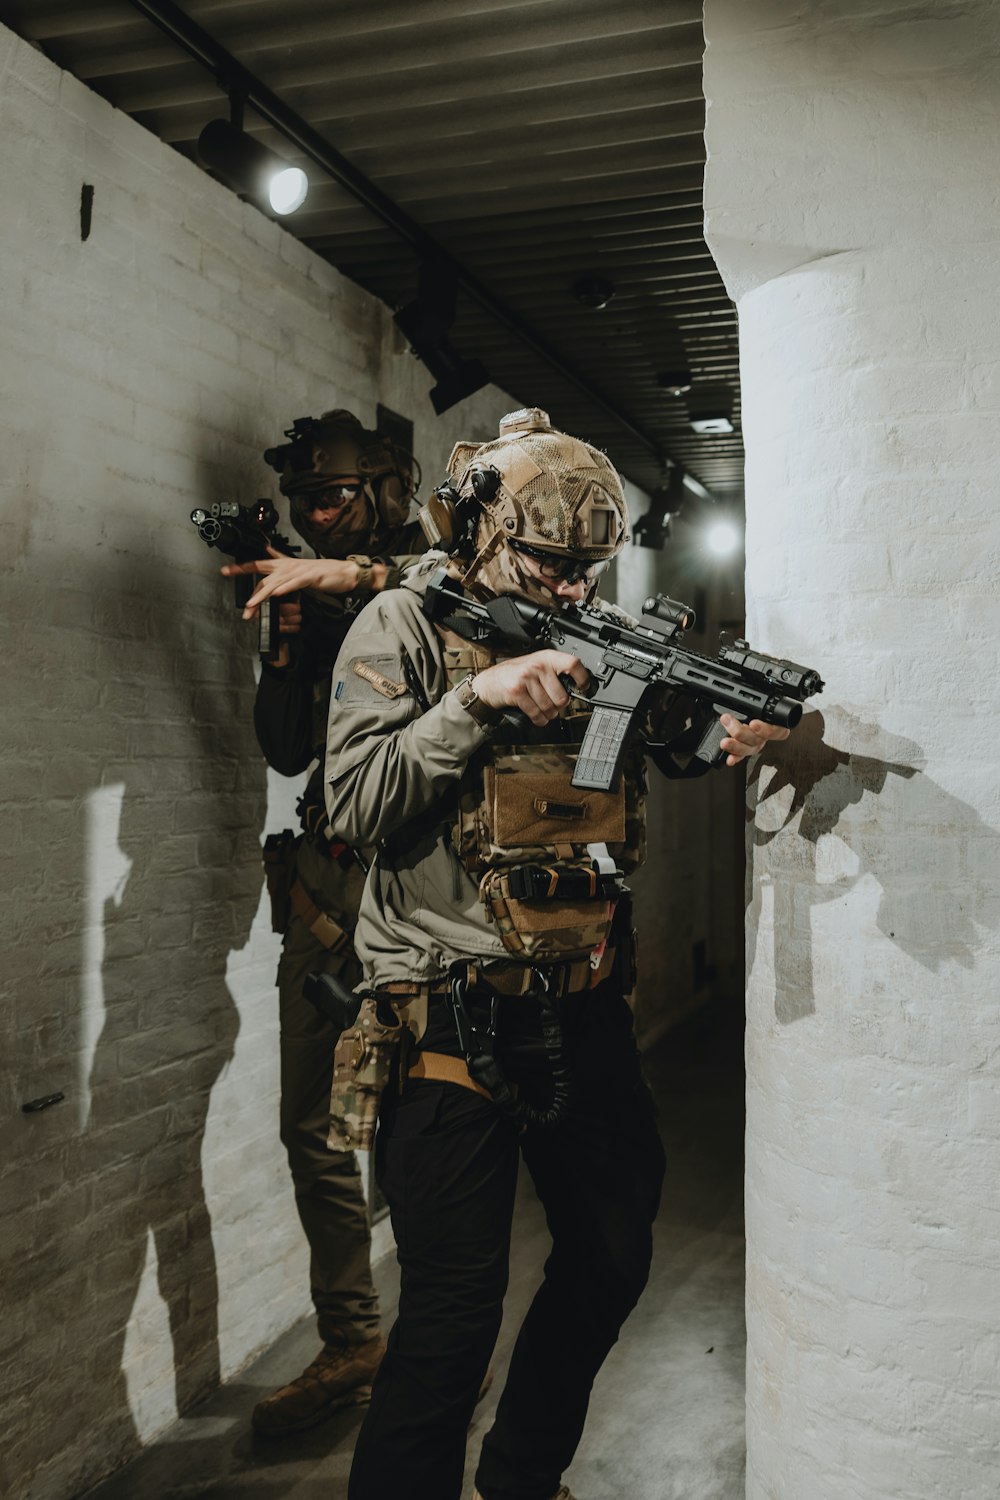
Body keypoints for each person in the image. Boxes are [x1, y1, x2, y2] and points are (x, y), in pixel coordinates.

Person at [322, 407, 791, 1500]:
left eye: (590, 568)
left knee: (615, 1253)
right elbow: (353, 801)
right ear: (486, 535)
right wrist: (474, 702)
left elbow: (656, 743)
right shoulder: (405, 626)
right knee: (449, 1322)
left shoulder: (578, 625)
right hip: (443, 1019)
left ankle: (522, 1476)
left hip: (580, 1009)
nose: (573, 590)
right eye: (548, 562)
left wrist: (728, 733)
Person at [222, 409, 425, 1436]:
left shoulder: (436, 576)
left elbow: (448, 591)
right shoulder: (312, 597)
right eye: (304, 504)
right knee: (312, 1125)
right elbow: (288, 754)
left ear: (383, 491)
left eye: (332, 497)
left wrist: (341, 583)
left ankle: (439, 1345)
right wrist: (285, 639)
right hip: (328, 884)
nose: (316, 518)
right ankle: (354, 1338)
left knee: (432, 1122)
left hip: (430, 893)